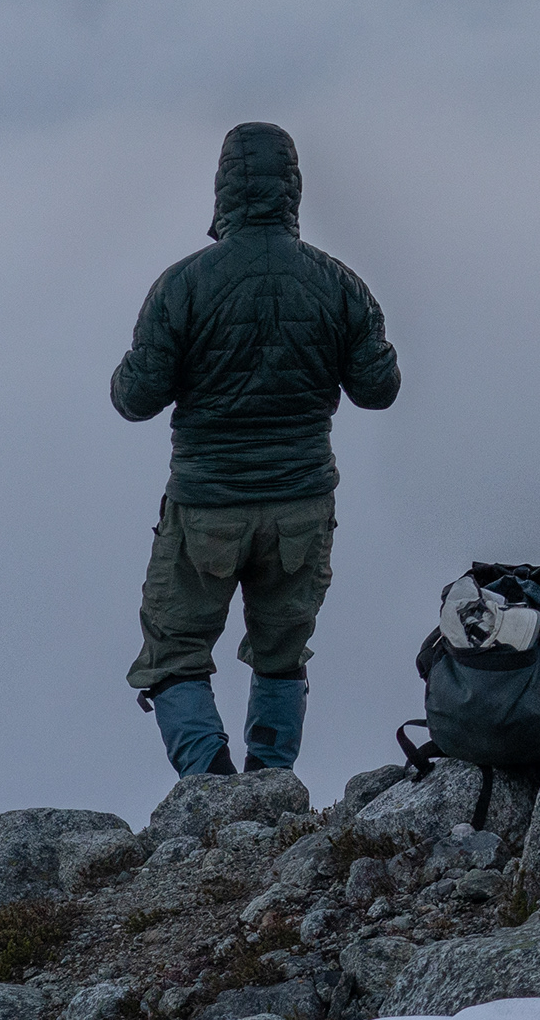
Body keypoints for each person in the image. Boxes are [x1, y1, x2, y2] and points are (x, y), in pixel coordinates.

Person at [111, 121, 401, 778]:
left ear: (224, 190)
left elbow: (136, 398)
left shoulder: (182, 284)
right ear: (293, 189)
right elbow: (379, 390)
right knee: (281, 651)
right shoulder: (340, 283)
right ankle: (272, 782)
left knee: (175, 649)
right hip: (301, 503)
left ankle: (209, 787)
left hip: (207, 507)